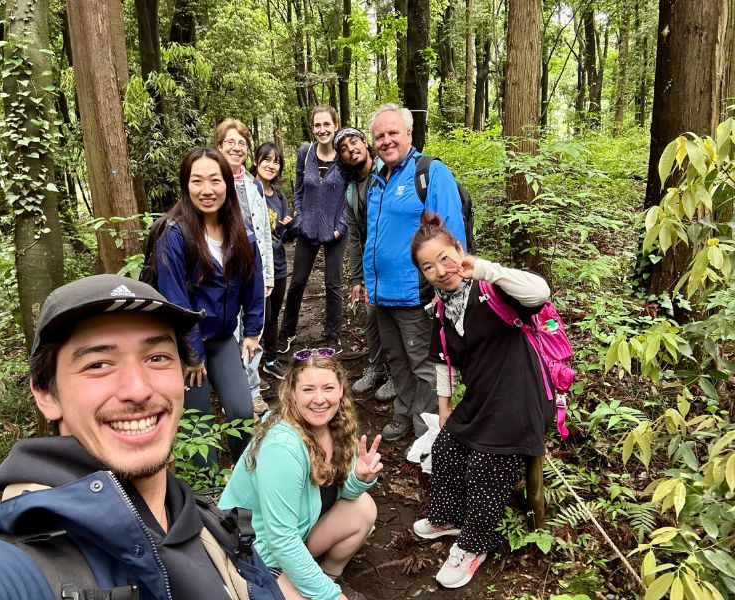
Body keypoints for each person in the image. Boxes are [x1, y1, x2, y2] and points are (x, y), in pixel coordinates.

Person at [0, 274, 281, 599]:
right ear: (46, 394)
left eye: (157, 357)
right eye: (98, 364)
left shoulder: (210, 524)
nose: (138, 389)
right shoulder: (12, 573)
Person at [409, 211, 552, 589]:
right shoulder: (441, 307)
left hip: (520, 395)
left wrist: (485, 269)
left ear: (459, 249)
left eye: (444, 257)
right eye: (428, 267)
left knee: (486, 465)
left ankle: (474, 545)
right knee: (446, 447)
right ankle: (447, 517)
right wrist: (444, 412)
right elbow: (444, 361)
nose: (440, 270)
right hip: (481, 396)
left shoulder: (492, 288)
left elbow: (540, 292)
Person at [219, 349, 382, 600]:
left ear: (341, 390)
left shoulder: (337, 427)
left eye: (328, 388)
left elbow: (337, 492)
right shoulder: (282, 446)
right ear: (292, 393)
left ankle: (328, 576)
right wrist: (331, 598)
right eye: (308, 390)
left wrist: (359, 479)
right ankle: (315, 587)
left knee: (363, 508)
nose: (320, 399)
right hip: (255, 552)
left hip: (296, 533)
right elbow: (281, 539)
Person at [363, 103, 467, 442]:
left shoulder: (430, 173)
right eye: (379, 135)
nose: (386, 140)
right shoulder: (377, 179)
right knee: (396, 361)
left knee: (425, 367)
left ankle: (428, 435)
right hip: (382, 294)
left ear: (409, 133)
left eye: (393, 132)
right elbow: (374, 237)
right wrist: (366, 281)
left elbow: (450, 235)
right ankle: (404, 414)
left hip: (416, 295)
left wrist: (451, 290)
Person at [154, 148, 264, 465]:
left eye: (215, 180)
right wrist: (192, 355)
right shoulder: (173, 233)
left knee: (242, 413)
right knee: (199, 428)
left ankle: (246, 481)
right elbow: (175, 300)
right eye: (197, 180)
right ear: (186, 185)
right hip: (186, 347)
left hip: (220, 338)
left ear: (227, 183)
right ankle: (210, 499)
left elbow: (252, 283)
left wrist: (253, 331)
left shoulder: (239, 230)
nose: (207, 190)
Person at [278, 105, 349, 354]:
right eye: (317, 125)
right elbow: (298, 188)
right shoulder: (305, 153)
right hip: (307, 229)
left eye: (326, 124)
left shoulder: (344, 156)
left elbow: (349, 196)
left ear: (335, 126)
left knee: (333, 284)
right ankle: (287, 332)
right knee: (297, 282)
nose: (322, 130)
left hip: (336, 232)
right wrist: (300, 213)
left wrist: (341, 227)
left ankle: (333, 336)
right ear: (313, 128)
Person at [216, 118, 274, 414]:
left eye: (241, 143)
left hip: (252, 270)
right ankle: (233, 393)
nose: (236, 148)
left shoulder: (253, 183)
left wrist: (268, 275)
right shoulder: (213, 182)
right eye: (230, 143)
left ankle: (251, 390)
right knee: (231, 333)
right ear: (219, 147)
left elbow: (263, 230)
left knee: (253, 331)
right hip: (223, 273)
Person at [333, 126, 394, 402]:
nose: (351, 150)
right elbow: (355, 237)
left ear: (365, 143)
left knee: (395, 319)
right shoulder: (351, 190)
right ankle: (377, 367)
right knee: (373, 318)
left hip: (397, 261)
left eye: (354, 142)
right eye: (343, 149)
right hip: (373, 265)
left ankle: (396, 374)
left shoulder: (388, 173)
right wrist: (357, 278)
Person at [251, 141, 297, 380]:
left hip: (278, 264)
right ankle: (249, 369)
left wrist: (292, 227)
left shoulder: (279, 197)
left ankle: (270, 359)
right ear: (256, 161)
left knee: (274, 315)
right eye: (266, 159)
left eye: (276, 161)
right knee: (262, 316)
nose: (271, 165)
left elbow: (284, 236)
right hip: (256, 268)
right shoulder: (248, 191)